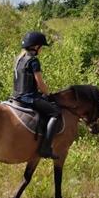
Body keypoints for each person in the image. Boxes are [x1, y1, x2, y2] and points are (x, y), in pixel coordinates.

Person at [12, 31, 61, 159]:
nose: (42, 50)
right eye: (41, 47)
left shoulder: (18, 59)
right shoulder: (33, 61)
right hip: (29, 98)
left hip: (16, 97)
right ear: (36, 46)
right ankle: (45, 148)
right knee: (56, 112)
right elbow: (40, 83)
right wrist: (47, 93)